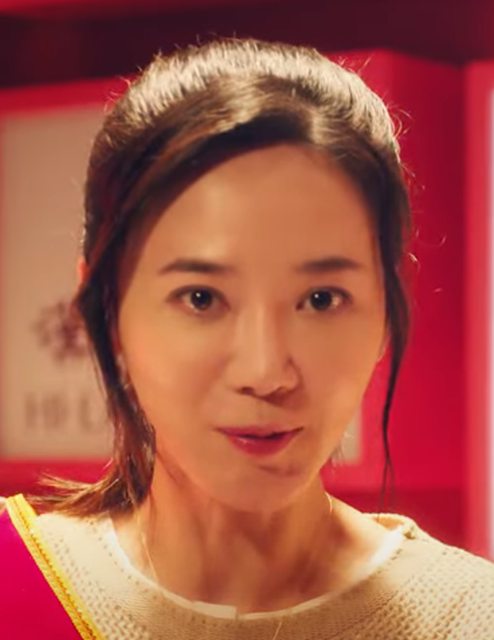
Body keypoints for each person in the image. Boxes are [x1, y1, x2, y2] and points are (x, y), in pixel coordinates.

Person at [0, 37, 493, 640]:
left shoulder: (468, 618)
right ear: (104, 309)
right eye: (202, 299)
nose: (266, 372)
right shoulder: (14, 583)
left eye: (321, 299)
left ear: (388, 309)